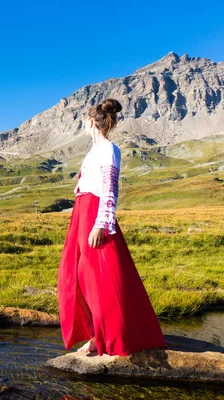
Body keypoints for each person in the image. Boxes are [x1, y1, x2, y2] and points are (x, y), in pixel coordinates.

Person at [57, 98, 166, 356]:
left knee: (101, 279)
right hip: (82, 215)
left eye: (84, 119)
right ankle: (95, 334)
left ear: (92, 122)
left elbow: (109, 189)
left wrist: (101, 225)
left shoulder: (109, 149)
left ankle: (109, 337)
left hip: (94, 217)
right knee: (76, 276)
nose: (82, 123)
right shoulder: (94, 152)